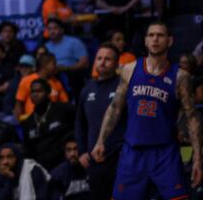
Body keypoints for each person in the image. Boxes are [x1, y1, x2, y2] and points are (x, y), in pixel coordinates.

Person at [92, 21, 203, 199]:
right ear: (145, 41)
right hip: (133, 152)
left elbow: (191, 117)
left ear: (170, 40)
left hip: (165, 153)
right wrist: (100, 141)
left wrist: (198, 158)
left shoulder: (180, 76)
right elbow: (115, 107)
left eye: (160, 35)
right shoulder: (130, 69)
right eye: (151, 35)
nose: (155, 39)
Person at [76, 44, 125, 200]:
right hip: (94, 158)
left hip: (120, 155)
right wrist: (82, 151)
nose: (102, 62)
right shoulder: (87, 89)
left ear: (117, 63)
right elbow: (80, 124)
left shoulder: (123, 86)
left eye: (108, 59)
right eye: (99, 58)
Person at [20, 78, 76, 171]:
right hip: (40, 169)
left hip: (64, 164)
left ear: (48, 93)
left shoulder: (63, 109)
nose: (35, 94)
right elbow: (28, 150)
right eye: (33, 91)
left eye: (39, 91)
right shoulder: (28, 122)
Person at [14, 52, 69, 121]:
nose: (55, 66)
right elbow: (19, 104)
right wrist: (20, 122)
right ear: (44, 65)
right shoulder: (26, 81)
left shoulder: (57, 82)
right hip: (32, 121)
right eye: (53, 64)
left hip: (52, 121)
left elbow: (65, 103)